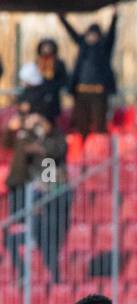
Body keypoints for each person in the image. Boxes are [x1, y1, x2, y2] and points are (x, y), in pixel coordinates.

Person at [3, 111, 71, 283]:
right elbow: (12, 145)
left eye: (41, 122)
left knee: (47, 248)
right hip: (31, 202)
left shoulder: (56, 140)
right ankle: (23, 273)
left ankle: (56, 281)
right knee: (10, 237)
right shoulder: (30, 139)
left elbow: (54, 156)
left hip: (49, 210)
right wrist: (22, 129)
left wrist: (38, 145)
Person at [58, 6, 118, 137]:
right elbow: (72, 33)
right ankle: (82, 150)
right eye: (89, 34)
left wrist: (114, 17)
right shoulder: (83, 47)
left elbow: (112, 34)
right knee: (81, 124)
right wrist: (62, 18)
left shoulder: (104, 48)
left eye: (94, 35)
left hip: (98, 91)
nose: (91, 37)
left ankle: (99, 149)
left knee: (100, 123)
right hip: (81, 91)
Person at [20, 38, 69, 126]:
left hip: (52, 96)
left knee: (50, 120)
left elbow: (63, 79)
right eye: (44, 47)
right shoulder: (36, 62)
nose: (46, 50)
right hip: (37, 96)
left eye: (49, 47)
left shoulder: (58, 63)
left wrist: (52, 86)